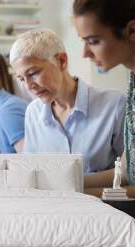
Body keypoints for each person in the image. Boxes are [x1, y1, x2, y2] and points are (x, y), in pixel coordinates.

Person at [73, 0, 135, 210]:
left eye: (93, 41)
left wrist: (87, 197)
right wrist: (62, 185)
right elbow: (128, 171)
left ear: (132, 31)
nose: (85, 53)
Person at [9, 28, 126, 174]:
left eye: (33, 73)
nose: (28, 86)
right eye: (21, 79)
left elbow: (132, 173)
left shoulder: (115, 105)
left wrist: (71, 185)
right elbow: (31, 171)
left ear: (61, 61)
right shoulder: (33, 111)